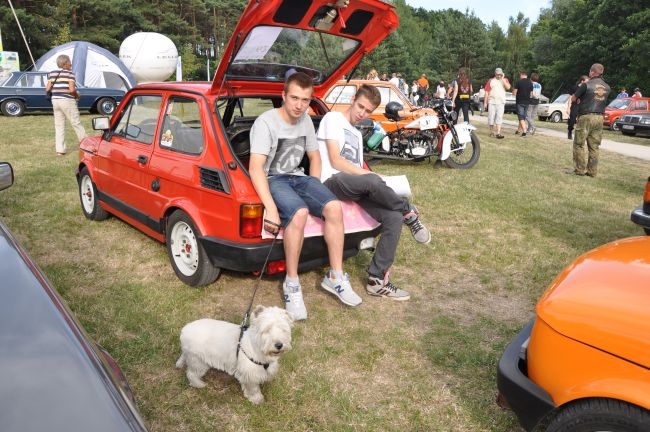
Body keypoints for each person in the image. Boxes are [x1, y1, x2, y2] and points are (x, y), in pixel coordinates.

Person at [248, 72, 362, 320]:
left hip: (299, 178)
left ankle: (335, 276)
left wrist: (315, 187)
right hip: (274, 179)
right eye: (295, 98)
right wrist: (270, 207)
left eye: (305, 100)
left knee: (333, 206)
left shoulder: (306, 121)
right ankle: (291, 284)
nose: (300, 105)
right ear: (283, 96)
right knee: (298, 213)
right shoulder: (266, 122)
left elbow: (315, 157)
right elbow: (255, 167)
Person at [316, 84, 431, 301]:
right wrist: (369, 177)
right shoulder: (332, 119)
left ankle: (377, 280)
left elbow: (359, 170)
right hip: (331, 182)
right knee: (370, 179)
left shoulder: (357, 136)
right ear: (352, 100)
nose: (362, 113)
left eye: (368, 111)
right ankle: (409, 210)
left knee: (393, 217)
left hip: (354, 187)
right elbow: (335, 160)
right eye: (360, 107)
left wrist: (371, 177)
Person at [568, 63, 611, 177]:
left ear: (592, 72)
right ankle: (592, 172)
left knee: (579, 143)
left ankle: (580, 170)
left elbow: (573, 98)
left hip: (586, 116)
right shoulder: (607, 87)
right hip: (600, 118)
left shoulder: (586, 85)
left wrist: (578, 100)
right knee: (594, 146)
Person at [45, 54, 86, 155]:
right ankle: (86, 146)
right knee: (76, 123)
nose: (71, 64)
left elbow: (47, 89)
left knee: (59, 126)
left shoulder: (52, 73)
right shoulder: (70, 74)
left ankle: (60, 150)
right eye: (69, 62)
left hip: (55, 101)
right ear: (65, 63)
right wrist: (77, 95)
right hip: (67, 101)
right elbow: (71, 90)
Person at [483, 67, 511, 139]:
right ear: (495, 74)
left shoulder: (505, 80)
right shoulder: (491, 81)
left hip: (501, 102)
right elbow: (486, 92)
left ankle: (498, 132)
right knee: (491, 117)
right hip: (492, 102)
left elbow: (508, 87)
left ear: (502, 74)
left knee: (499, 117)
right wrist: (485, 103)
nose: (499, 76)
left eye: (500, 74)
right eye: (498, 74)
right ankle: (491, 132)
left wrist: (503, 79)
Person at [512, 70, 533, 137]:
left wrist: (514, 93)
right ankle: (518, 130)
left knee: (520, 117)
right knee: (523, 117)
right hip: (527, 102)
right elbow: (531, 94)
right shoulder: (530, 83)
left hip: (520, 102)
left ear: (522, 74)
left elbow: (515, 92)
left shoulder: (519, 82)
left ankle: (524, 131)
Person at [567, 75, 588, 140]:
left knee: (582, 120)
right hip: (575, 105)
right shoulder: (574, 88)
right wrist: (568, 107)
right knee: (572, 120)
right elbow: (570, 97)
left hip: (582, 106)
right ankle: (570, 131)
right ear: (582, 81)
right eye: (586, 81)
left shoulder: (586, 88)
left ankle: (579, 135)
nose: (588, 83)